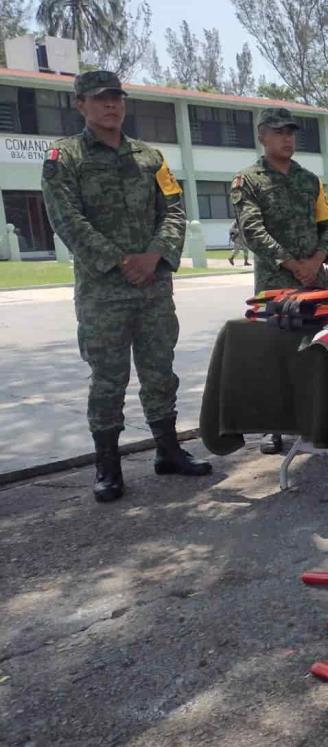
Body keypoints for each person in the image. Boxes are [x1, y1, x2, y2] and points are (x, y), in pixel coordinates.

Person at [41, 70, 211, 503]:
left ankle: (168, 451)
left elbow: (173, 211)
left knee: (160, 371)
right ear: (80, 104)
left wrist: (154, 256)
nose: (111, 105)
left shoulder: (150, 157)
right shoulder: (66, 157)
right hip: (104, 292)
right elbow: (67, 220)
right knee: (108, 379)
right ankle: (108, 466)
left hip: (154, 286)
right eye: (100, 99)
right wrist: (121, 262)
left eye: (116, 98)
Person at [231, 107, 328, 455]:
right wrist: (292, 263)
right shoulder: (247, 181)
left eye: (291, 132)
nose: (287, 138)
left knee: (316, 352)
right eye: (278, 132)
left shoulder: (310, 180)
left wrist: (316, 260)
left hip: (314, 281)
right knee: (274, 355)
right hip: (276, 281)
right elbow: (252, 229)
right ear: (262, 136)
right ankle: (273, 427)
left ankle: (317, 418)